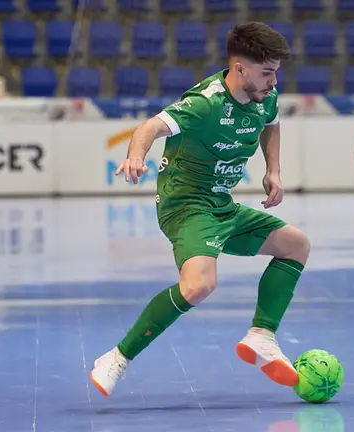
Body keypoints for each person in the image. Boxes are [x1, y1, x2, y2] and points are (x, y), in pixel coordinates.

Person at [90, 22, 310, 397]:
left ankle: (261, 336)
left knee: (296, 244)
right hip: (186, 206)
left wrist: (273, 170)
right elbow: (149, 127)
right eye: (267, 72)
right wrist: (135, 156)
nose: (274, 81)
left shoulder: (264, 95)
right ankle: (116, 357)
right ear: (239, 67)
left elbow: (270, 124)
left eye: (276, 72)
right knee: (199, 286)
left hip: (221, 204)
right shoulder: (203, 103)